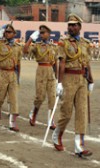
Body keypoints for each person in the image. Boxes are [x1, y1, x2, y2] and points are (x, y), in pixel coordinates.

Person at [52, 14, 94, 157]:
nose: (71, 27)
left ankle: (79, 146)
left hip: (82, 79)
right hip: (69, 78)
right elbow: (61, 63)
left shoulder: (85, 43)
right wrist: (59, 83)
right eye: (69, 25)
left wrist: (91, 80)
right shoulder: (63, 42)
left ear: (79, 27)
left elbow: (87, 63)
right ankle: (57, 135)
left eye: (74, 25)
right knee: (66, 112)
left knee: (82, 112)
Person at [24, 25, 57, 130]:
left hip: (50, 71)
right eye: (40, 33)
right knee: (40, 96)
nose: (42, 34)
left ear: (49, 33)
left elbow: (55, 62)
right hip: (41, 71)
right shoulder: (37, 46)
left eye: (44, 32)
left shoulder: (53, 46)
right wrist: (30, 39)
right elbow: (25, 50)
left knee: (52, 97)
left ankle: (51, 119)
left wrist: (57, 76)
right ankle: (33, 113)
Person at [0, 24, 22, 132]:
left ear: (14, 34)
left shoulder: (17, 47)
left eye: (9, 32)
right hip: (2, 72)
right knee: (0, 98)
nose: (7, 33)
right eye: (6, 32)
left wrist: (19, 76)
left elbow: (18, 63)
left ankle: (12, 122)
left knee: (14, 99)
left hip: (12, 73)